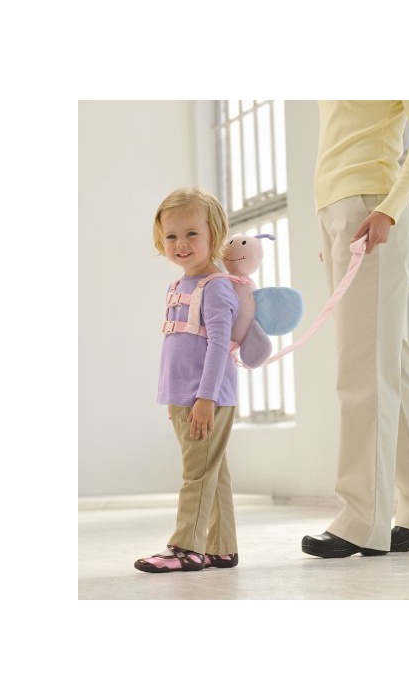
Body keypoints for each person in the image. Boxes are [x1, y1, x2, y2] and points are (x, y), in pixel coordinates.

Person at [301, 100, 409, 558]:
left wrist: (389, 209)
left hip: (373, 207)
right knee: (392, 360)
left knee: (362, 369)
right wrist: (331, 225)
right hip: (339, 211)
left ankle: (362, 519)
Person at [134, 187, 240, 573]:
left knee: (197, 474)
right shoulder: (179, 286)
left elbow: (218, 345)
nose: (180, 244)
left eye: (192, 233)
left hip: (206, 398)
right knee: (213, 470)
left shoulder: (216, 286)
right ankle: (221, 547)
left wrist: (205, 398)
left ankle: (186, 548)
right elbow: (178, 347)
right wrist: (174, 397)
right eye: (171, 236)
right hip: (184, 396)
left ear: (214, 234)